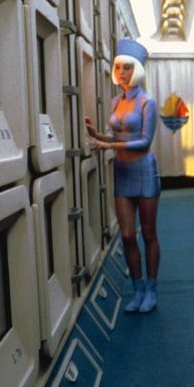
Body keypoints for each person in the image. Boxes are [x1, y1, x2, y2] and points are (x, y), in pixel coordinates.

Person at [85, 38, 161, 314]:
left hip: (144, 170)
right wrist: (97, 136)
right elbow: (117, 136)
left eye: (127, 67)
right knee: (128, 235)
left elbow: (143, 141)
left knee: (149, 233)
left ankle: (151, 289)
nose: (121, 72)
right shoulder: (117, 100)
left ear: (137, 70)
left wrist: (108, 146)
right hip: (122, 171)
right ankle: (137, 289)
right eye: (118, 67)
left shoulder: (147, 101)